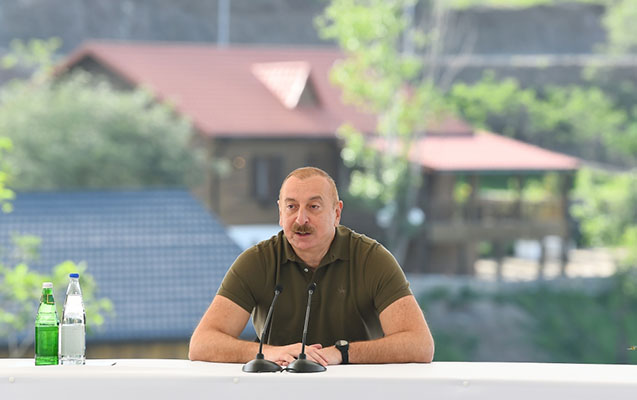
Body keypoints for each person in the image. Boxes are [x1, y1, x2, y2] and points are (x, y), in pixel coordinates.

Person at [189, 166, 434, 366]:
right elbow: (202, 343)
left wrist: (341, 353)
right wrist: (270, 352)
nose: (301, 219)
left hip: (355, 389)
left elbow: (420, 344)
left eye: (313, 207)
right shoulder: (256, 261)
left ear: (336, 213)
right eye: (291, 207)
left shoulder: (372, 259)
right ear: (280, 213)